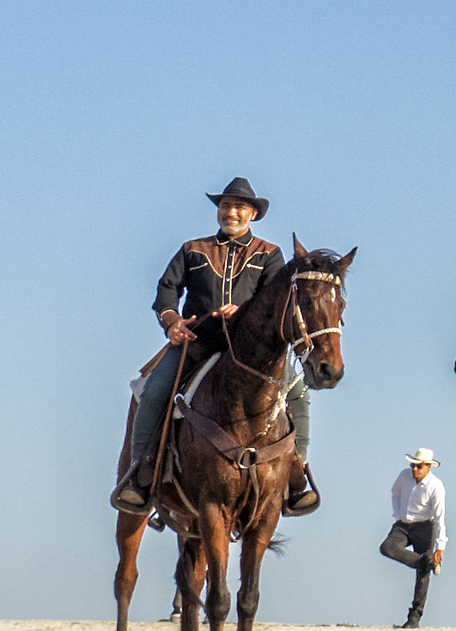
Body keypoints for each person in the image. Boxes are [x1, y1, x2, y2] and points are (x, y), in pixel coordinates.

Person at [113, 178, 319, 513]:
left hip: (252, 352)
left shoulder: (270, 255)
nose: (231, 213)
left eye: (239, 207)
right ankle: (141, 472)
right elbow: (167, 289)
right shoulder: (193, 249)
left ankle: (297, 476)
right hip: (198, 342)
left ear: (252, 213)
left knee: (298, 394)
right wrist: (172, 323)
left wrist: (244, 312)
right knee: (153, 391)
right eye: (225, 206)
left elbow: (275, 301)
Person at [381, 449, 447, 629]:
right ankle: (425, 562)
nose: (414, 469)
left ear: (428, 467)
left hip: (425, 526)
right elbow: (395, 493)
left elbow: (440, 517)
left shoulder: (436, 486)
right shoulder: (404, 476)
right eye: (412, 465)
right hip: (403, 525)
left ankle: (415, 616)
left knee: (422, 576)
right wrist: (397, 515)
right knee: (387, 547)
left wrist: (440, 546)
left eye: (418, 466)